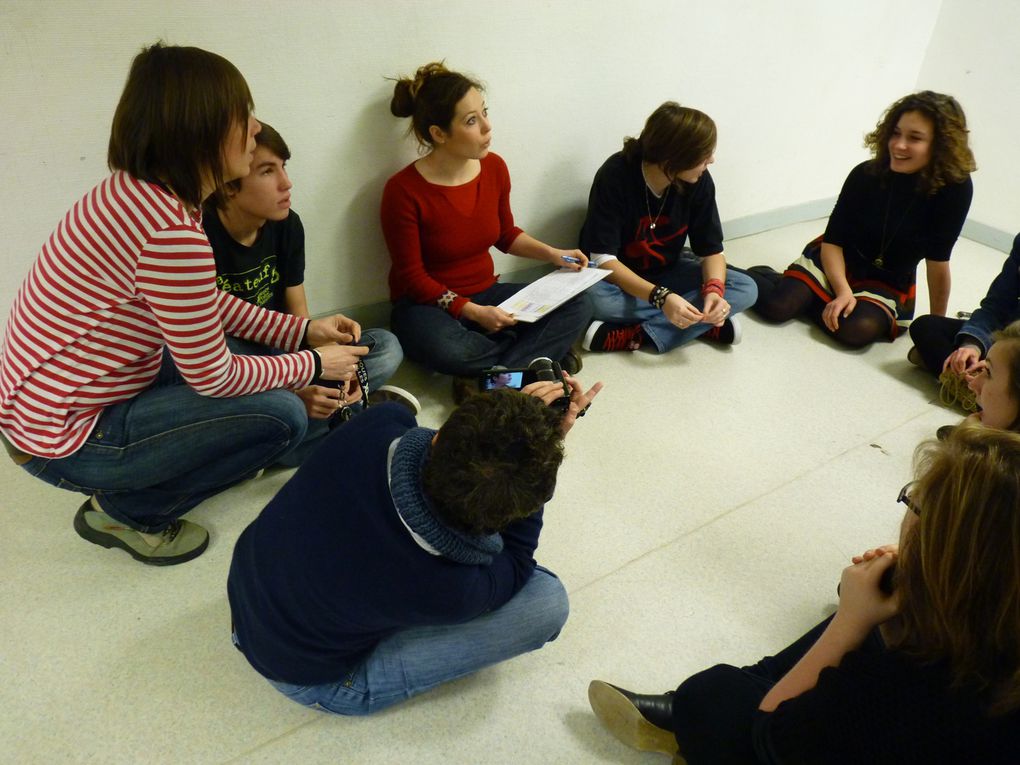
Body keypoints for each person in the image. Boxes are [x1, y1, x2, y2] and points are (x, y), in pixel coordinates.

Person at [0, 43, 365, 566]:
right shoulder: (171, 231)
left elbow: (205, 303)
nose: (256, 128)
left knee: (297, 374)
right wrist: (310, 362)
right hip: (64, 432)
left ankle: (314, 427)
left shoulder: (133, 193)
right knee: (281, 413)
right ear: (204, 131)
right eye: (244, 116)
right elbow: (212, 378)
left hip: (41, 402)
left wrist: (302, 333)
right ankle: (127, 513)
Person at [587, 424, 1020, 764]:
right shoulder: (992, 625)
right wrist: (924, 581)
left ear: (953, 551)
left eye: (916, 505)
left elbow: (770, 733)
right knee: (876, 591)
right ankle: (750, 680)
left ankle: (687, 715)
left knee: (710, 693)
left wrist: (852, 620)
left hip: (792, 733)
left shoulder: (909, 685)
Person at [228, 375, 602, 714]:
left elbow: (452, 449)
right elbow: (517, 562)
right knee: (546, 601)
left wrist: (507, 432)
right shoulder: (451, 588)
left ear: (441, 435)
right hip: (311, 678)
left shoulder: (379, 423)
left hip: (251, 593)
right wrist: (541, 459)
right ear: (514, 513)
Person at [204, 121, 418, 464]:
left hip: (280, 348)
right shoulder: (198, 235)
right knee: (284, 399)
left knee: (386, 347)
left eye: (283, 167)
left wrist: (324, 365)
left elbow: (297, 313)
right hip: (230, 363)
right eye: (266, 171)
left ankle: (295, 433)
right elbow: (207, 353)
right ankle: (327, 421)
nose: (286, 183)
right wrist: (293, 384)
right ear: (229, 184)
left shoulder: (287, 224)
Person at [381, 62, 592, 401]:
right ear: (439, 133)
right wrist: (471, 311)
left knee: (579, 304)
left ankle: (491, 380)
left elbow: (505, 234)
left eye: (484, 113)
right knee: (449, 349)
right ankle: (530, 361)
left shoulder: (494, 167)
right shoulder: (403, 190)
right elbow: (413, 277)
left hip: (487, 294)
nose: (487, 127)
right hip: (426, 308)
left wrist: (554, 254)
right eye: (471, 121)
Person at [748, 91, 975, 348]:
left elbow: (938, 262)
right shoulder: (865, 174)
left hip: (890, 278)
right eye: (896, 133)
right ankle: (761, 279)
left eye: (915, 138)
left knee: (857, 330)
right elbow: (833, 241)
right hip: (839, 259)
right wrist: (843, 292)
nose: (899, 145)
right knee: (779, 307)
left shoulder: (955, 189)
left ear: (940, 146)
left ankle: (807, 293)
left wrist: (937, 325)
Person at [578, 101, 757, 352]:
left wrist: (714, 291)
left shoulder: (699, 181)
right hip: (616, 278)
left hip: (667, 270)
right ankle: (700, 324)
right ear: (675, 156)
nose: (712, 160)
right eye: (704, 154)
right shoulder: (616, 174)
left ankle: (638, 335)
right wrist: (662, 298)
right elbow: (603, 259)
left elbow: (711, 251)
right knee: (591, 301)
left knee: (746, 287)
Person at [908, 234, 1020, 413]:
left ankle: (977, 394)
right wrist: (972, 345)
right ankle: (988, 396)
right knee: (926, 327)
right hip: (1006, 337)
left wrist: (1002, 360)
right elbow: (995, 305)